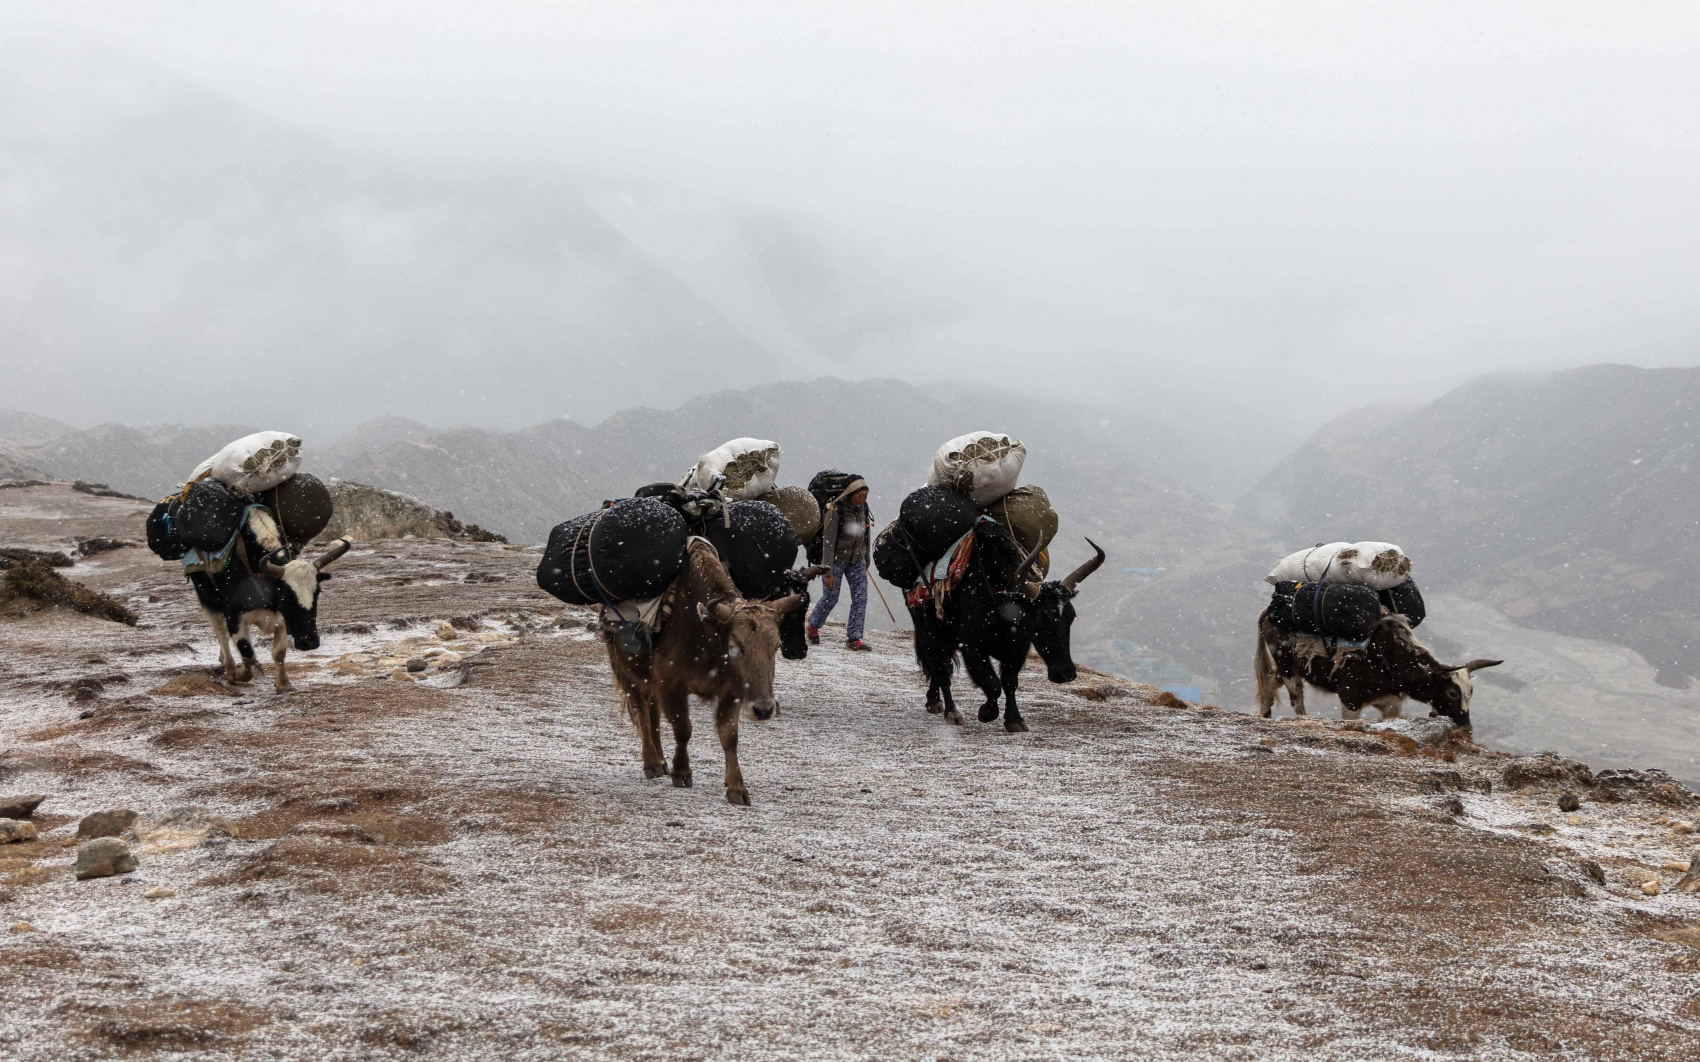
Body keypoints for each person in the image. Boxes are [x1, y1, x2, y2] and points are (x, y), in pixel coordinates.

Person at [807, 477, 872, 651]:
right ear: (850, 494)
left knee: (861, 598)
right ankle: (813, 625)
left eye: (865, 496)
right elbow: (828, 543)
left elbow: (866, 535)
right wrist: (827, 572)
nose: (862, 500)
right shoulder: (836, 511)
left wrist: (867, 559)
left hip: (856, 560)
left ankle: (854, 638)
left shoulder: (863, 508)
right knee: (831, 598)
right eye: (859, 496)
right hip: (834, 561)